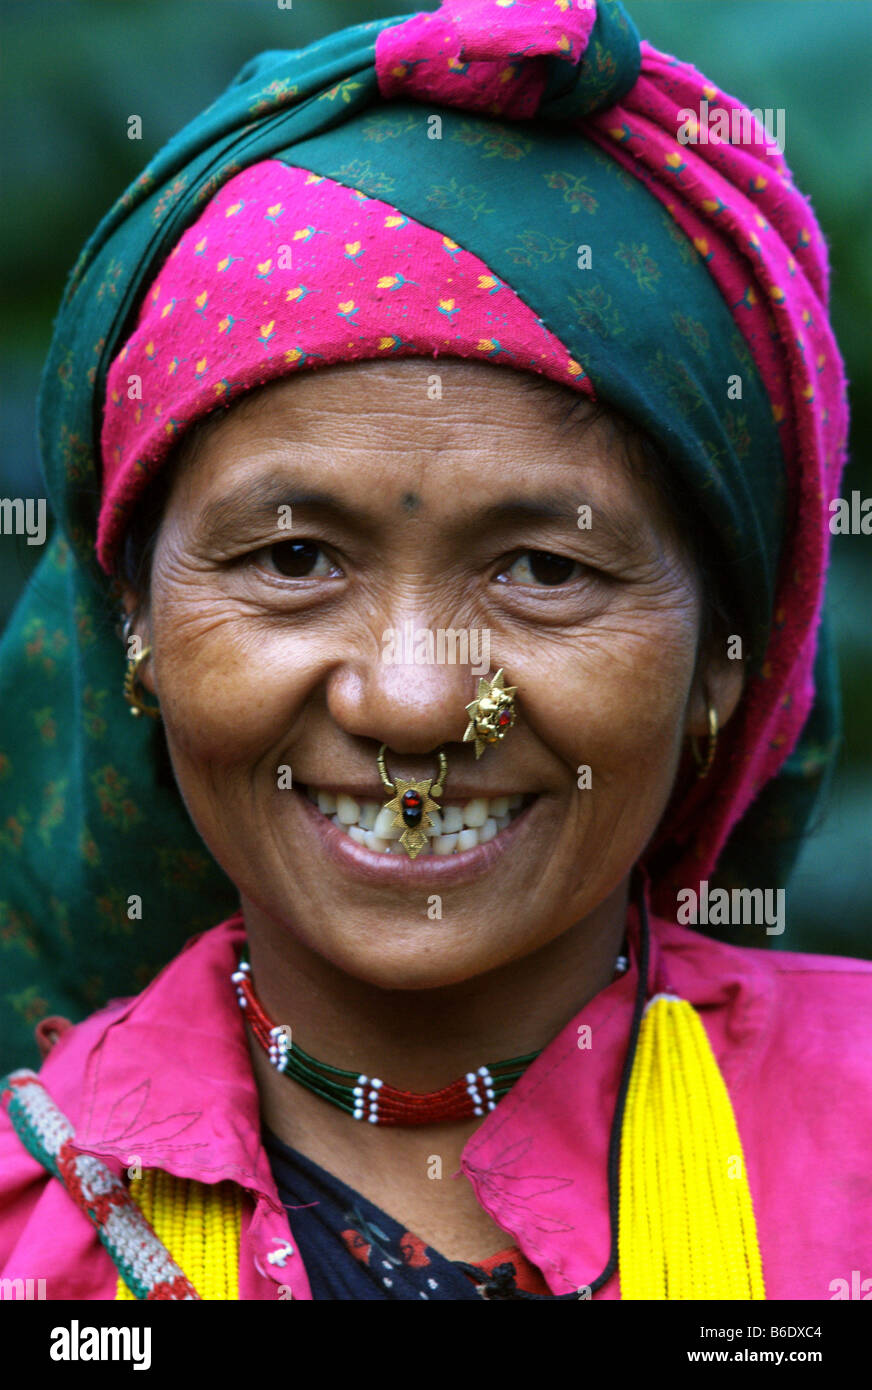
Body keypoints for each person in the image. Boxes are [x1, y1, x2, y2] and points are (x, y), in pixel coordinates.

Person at [1, 0, 869, 1301]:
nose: (412, 698)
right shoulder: (38, 1230)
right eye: (294, 559)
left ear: (724, 659)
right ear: (136, 619)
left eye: (547, 569)